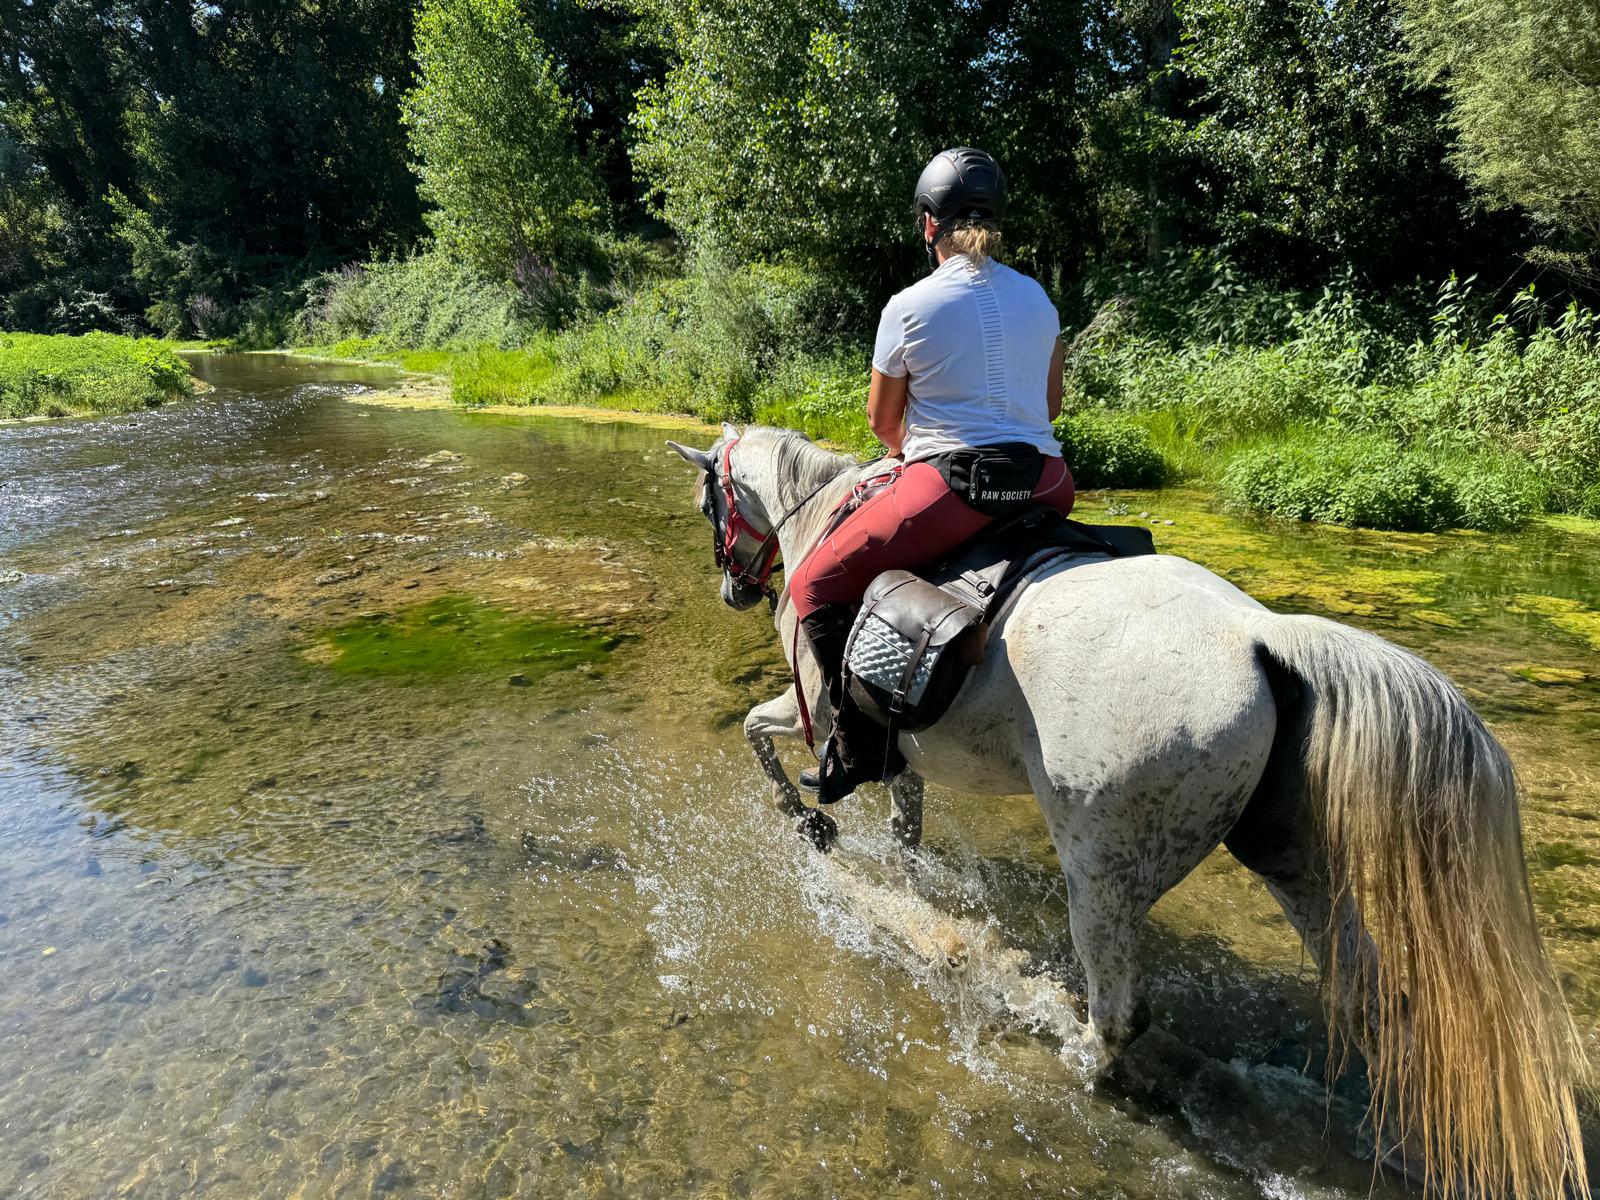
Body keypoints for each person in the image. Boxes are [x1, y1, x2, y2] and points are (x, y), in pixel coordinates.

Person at [790, 146, 1075, 803]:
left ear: (927, 224)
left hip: (955, 488)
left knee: (812, 584)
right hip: (1045, 481)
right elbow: (1051, 405)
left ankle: (860, 748)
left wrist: (911, 452)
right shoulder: (1037, 298)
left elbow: (882, 422)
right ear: (995, 222)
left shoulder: (909, 305)